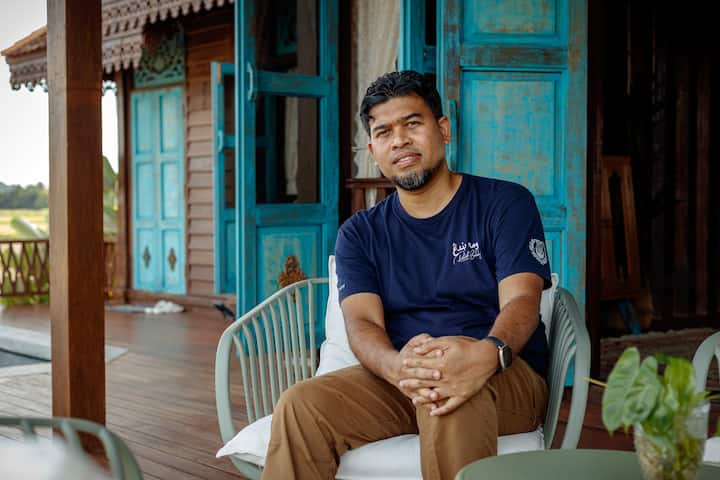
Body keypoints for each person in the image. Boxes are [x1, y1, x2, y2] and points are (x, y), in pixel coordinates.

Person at [261, 70, 551, 480]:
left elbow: (522, 300)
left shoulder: (503, 203)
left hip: (503, 371)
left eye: (412, 123)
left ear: (443, 129)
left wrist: (485, 354)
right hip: (403, 378)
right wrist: (397, 368)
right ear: (373, 149)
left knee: (448, 393)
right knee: (299, 405)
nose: (399, 140)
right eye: (384, 132)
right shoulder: (359, 233)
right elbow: (361, 322)